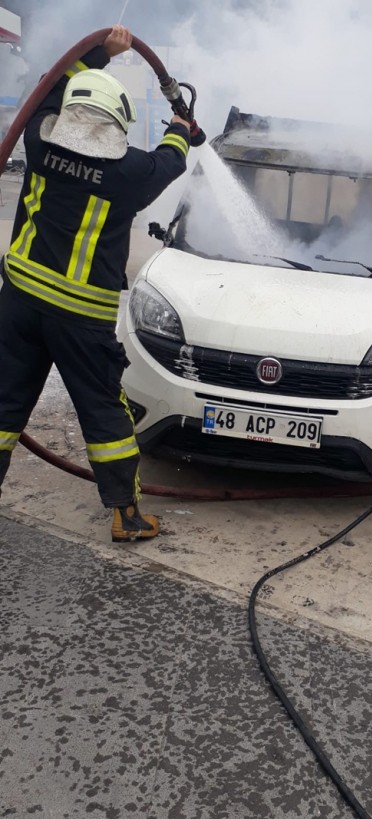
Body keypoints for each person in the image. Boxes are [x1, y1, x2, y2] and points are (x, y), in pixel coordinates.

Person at [0, 25, 193, 540]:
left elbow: (50, 83)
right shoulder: (131, 173)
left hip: (19, 302)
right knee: (104, 413)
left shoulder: (39, 138)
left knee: (3, 403)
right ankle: (126, 516)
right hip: (82, 320)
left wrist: (98, 53)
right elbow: (174, 156)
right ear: (119, 121)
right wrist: (181, 124)